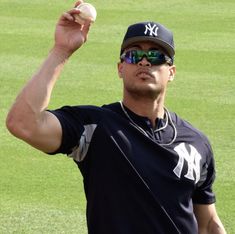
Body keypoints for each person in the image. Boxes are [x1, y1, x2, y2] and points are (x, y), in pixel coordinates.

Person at [6, 1, 227, 234]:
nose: (144, 61)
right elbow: (23, 123)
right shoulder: (95, 127)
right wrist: (62, 51)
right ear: (120, 68)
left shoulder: (196, 142)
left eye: (155, 56)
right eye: (133, 56)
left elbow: (208, 223)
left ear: (170, 72)